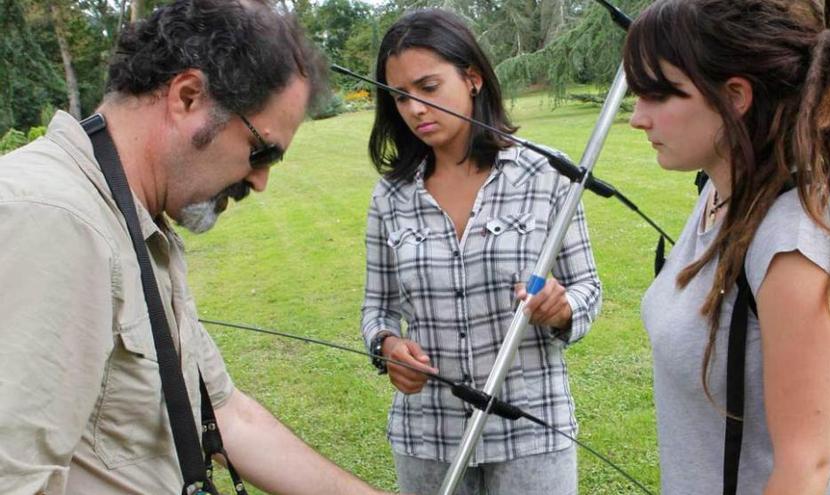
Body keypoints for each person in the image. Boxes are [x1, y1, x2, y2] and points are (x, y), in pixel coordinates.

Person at [0, 1, 395, 494]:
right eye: (262, 151)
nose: (262, 179)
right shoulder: (55, 220)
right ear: (188, 96)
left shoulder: (133, 221)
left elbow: (226, 413)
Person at [625, 0, 830, 492]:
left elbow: (805, 468)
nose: (638, 118)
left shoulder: (795, 242)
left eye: (657, 96)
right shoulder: (723, 198)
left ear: (735, 95)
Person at [360, 9, 602, 495]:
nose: (415, 110)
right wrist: (388, 347)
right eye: (401, 97)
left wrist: (561, 308)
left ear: (471, 78)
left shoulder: (546, 174)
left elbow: (588, 289)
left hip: (530, 433)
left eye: (428, 88)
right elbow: (377, 307)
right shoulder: (392, 196)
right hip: (427, 437)